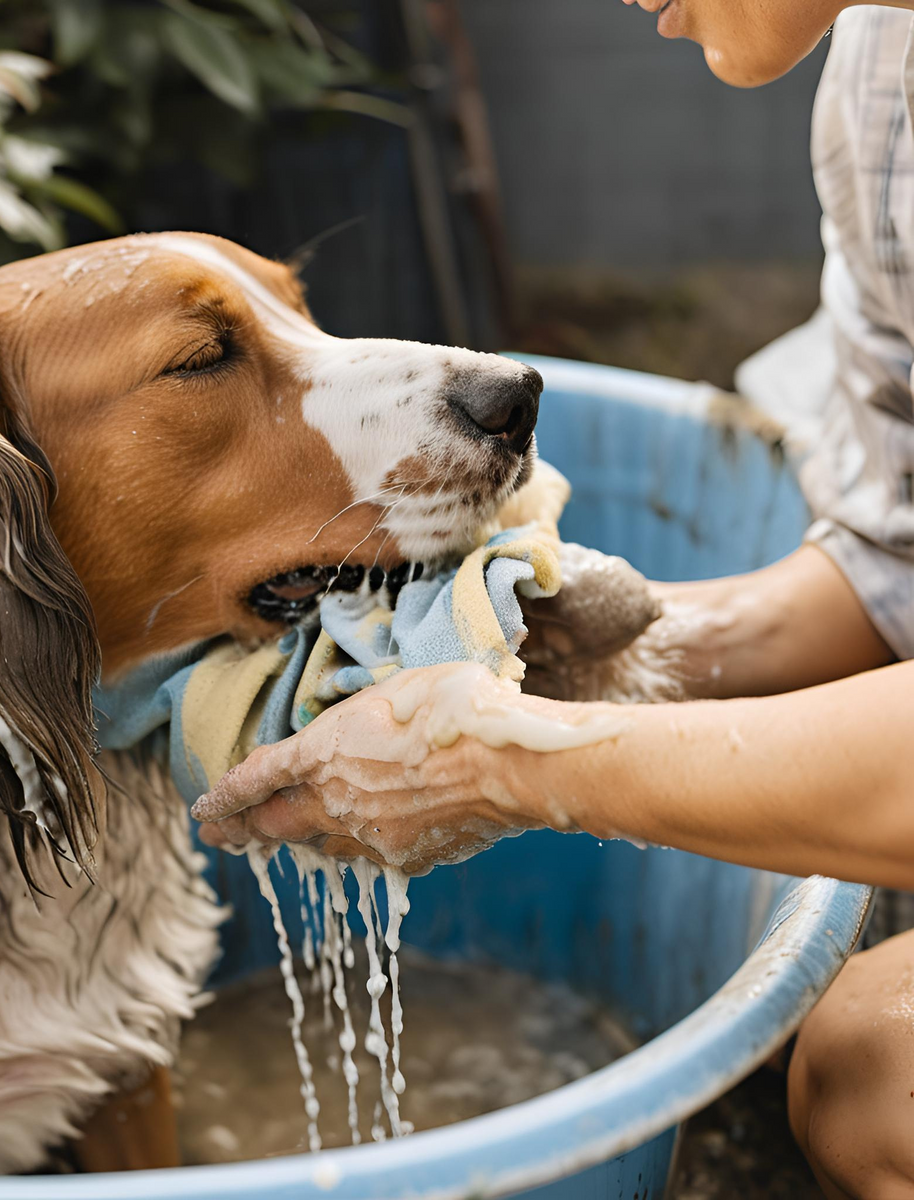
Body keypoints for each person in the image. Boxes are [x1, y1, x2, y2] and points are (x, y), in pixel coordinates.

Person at [192, 4, 914, 1197]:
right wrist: (592, 646)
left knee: (880, 1072)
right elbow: (898, 559)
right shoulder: (880, 76)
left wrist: (506, 761)